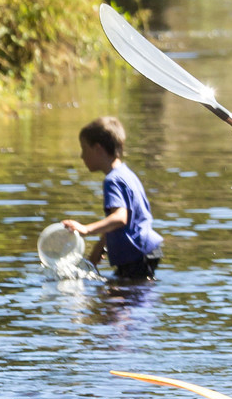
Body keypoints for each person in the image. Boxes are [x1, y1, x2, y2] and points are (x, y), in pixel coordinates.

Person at [63, 117, 163, 281]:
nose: (82, 156)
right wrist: (93, 258)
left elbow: (119, 218)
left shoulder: (112, 180)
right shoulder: (126, 174)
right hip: (146, 249)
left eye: (84, 149)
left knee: (119, 300)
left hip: (136, 253)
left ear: (98, 149)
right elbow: (114, 226)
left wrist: (86, 229)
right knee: (123, 292)